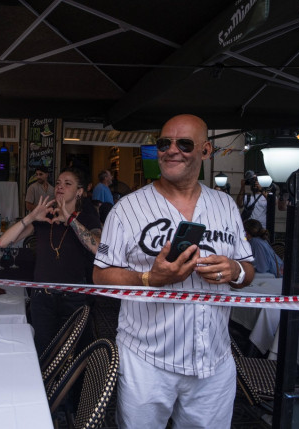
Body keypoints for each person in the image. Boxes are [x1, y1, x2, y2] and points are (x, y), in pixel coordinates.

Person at [92, 114, 254, 429]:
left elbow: (247, 271)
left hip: (214, 364)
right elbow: (100, 276)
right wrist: (149, 279)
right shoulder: (127, 209)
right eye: (164, 143)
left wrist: (233, 270)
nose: (171, 150)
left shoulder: (225, 206)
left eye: (184, 143)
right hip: (147, 362)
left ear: (206, 150)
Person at [0, 167, 101, 354]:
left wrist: (70, 219)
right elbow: (4, 242)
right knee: (43, 350)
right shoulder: (45, 217)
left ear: (79, 192)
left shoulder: (87, 218)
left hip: (74, 297)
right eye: (59, 183)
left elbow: (97, 247)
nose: (60, 187)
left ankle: (69, 384)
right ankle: (44, 384)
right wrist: (31, 216)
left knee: (72, 351)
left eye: (67, 184)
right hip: (42, 297)